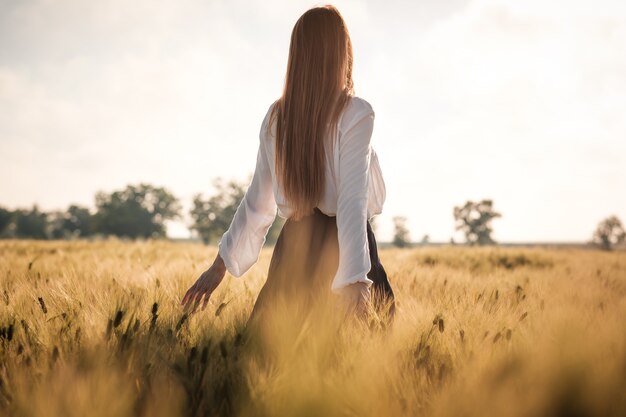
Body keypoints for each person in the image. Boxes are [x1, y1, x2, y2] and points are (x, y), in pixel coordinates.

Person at [181, 5, 395, 331]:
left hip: (294, 249)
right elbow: (351, 202)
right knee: (369, 370)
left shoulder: (276, 118)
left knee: (266, 361)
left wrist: (218, 268)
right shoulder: (356, 113)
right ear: (342, 53)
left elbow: (256, 205)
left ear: (298, 57)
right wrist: (354, 281)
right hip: (345, 249)